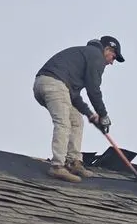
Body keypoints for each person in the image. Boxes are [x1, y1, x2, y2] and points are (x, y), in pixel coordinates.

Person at [33, 36, 124, 183]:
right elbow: (93, 90)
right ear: (107, 49)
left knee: (76, 121)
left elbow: (74, 97)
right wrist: (103, 115)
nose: (111, 62)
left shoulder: (85, 56)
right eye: (113, 57)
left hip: (49, 85)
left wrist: (91, 115)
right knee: (63, 123)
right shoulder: (96, 56)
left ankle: (74, 162)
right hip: (54, 84)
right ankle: (57, 166)